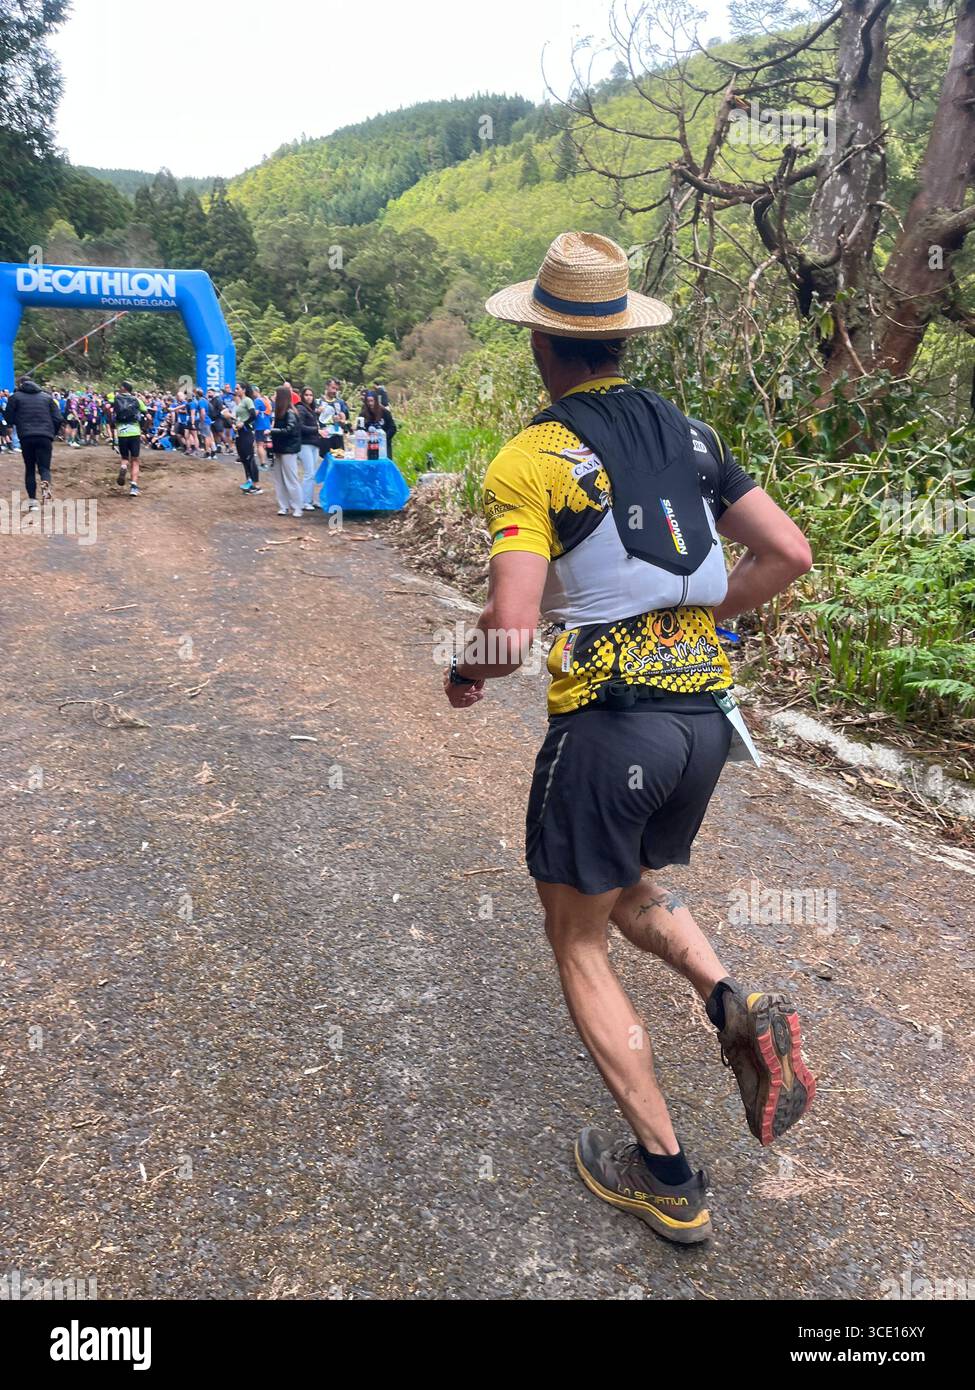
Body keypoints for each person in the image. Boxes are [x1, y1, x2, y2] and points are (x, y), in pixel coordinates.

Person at [444, 232, 816, 1245]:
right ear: (619, 338)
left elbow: (513, 631)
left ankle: (667, 1176)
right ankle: (729, 999)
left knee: (576, 937)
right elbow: (788, 551)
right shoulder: (691, 436)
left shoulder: (533, 457)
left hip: (609, 730)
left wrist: (466, 672)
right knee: (629, 883)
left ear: (540, 343)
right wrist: (706, 619)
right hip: (700, 727)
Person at [3, 375, 62, 510]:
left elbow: (9, 418)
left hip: (26, 437)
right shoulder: (47, 398)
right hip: (45, 437)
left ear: (20, 384)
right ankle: (45, 487)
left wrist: (16, 421)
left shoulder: (15, 397)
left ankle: (33, 502)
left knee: (29, 468)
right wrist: (52, 433)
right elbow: (58, 418)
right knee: (44, 468)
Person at [268, 383, 303, 518]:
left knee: (291, 478)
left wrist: (272, 431)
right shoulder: (280, 413)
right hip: (280, 449)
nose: (274, 397)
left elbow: (290, 430)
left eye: (276, 395)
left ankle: (297, 506)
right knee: (279, 478)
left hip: (289, 449)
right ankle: (284, 506)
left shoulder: (290, 413)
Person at [114, 380, 147, 496]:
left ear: (123, 388)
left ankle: (123, 466)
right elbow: (146, 411)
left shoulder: (116, 398)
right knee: (135, 460)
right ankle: (133, 486)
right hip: (134, 431)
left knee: (124, 457)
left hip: (122, 432)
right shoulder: (136, 400)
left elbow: (107, 409)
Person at [296, 385, 323, 511]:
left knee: (313, 473)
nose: (309, 397)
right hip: (305, 444)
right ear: (302, 396)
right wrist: (316, 430)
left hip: (314, 443)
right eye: (306, 395)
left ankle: (310, 499)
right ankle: (304, 501)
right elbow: (300, 427)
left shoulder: (311, 409)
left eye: (311, 395)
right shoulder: (301, 408)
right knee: (308, 473)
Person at [234, 383, 263, 494]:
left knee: (250, 457)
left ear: (244, 390)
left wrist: (244, 424)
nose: (235, 390)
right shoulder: (240, 402)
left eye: (238, 388)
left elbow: (253, 415)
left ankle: (257, 485)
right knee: (244, 458)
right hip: (239, 433)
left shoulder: (248, 400)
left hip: (247, 433)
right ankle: (249, 481)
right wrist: (235, 423)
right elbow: (240, 417)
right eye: (235, 388)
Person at [360, 388, 396, 457]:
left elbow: (392, 428)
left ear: (376, 401)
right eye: (368, 401)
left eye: (372, 401)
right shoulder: (363, 414)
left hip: (383, 446)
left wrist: (384, 438)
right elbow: (360, 429)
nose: (370, 403)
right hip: (369, 446)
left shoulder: (385, 412)